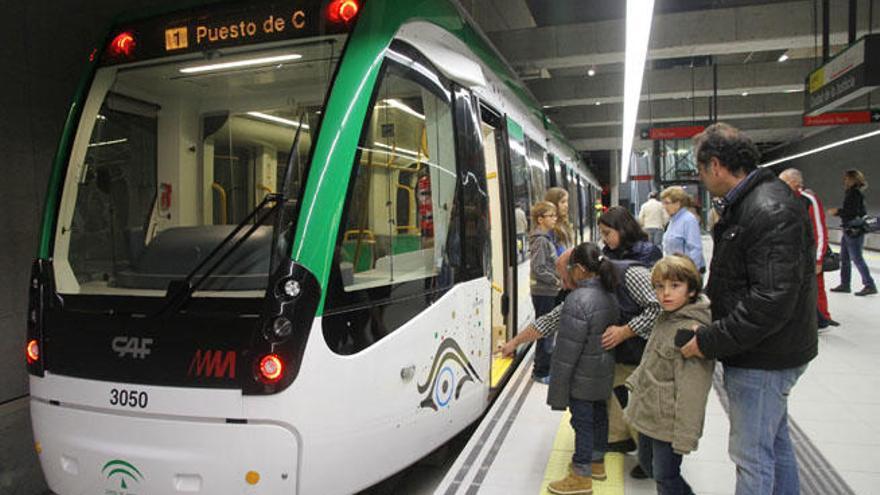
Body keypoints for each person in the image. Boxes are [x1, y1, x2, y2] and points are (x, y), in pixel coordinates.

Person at [680, 123, 817, 495]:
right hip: (771, 350)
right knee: (775, 445)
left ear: (717, 166)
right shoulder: (758, 202)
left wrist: (710, 341)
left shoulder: (767, 208)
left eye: (700, 169)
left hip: (764, 357)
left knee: (751, 456)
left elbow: (770, 300)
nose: (702, 178)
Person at [624, 254, 714, 495]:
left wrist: (685, 434)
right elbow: (651, 358)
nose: (666, 293)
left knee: (666, 477)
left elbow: (693, 389)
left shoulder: (690, 330)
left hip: (669, 420)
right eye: (660, 287)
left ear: (692, 290)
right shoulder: (665, 318)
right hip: (649, 412)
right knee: (648, 465)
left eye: (675, 286)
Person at [546, 242, 620, 495]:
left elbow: (567, 352)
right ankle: (597, 463)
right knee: (599, 418)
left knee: (583, 423)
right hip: (602, 371)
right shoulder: (609, 293)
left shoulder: (577, 300)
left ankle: (581, 475)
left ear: (578, 269)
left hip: (582, 376)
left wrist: (558, 388)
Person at [779, 168, 839, 329]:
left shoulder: (808, 199)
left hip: (809, 254)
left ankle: (822, 319)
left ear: (794, 182)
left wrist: (818, 258)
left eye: (783, 182)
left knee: (815, 287)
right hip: (793, 253)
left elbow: (819, 230)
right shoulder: (786, 198)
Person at [828, 169, 876, 296]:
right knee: (844, 258)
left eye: (846, 178)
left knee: (857, 258)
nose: (844, 180)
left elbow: (852, 212)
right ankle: (845, 284)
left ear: (852, 179)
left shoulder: (854, 193)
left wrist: (837, 211)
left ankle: (869, 285)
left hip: (853, 230)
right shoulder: (853, 193)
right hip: (849, 230)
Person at [529, 201, 562, 384]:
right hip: (545, 291)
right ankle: (541, 371)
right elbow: (539, 268)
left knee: (547, 329)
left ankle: (544, 368)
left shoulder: (544, 238)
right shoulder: (541, 241)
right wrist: (556, 280)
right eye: (551, 216)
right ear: (540, 219)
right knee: (545, 330)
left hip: (547, 291)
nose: (554, 219)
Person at [660, 186, 705, 273]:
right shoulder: (672, 221)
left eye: (667, 203)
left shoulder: (688, 220)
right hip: (675, 270)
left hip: (686, 272)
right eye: (663, 203)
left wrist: (690, 272)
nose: (664, 207)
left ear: (678, 203)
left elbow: (695, 249)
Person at [546, 187, 574, 255]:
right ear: (554, 204)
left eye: (567, 201)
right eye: (562, 202)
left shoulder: (565, 224)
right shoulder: (549, 228)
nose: (566, 205)